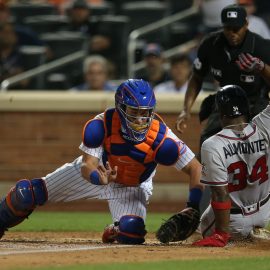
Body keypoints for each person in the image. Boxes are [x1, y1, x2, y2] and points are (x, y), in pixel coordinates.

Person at [0, 79, 203, 244]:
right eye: (134, 112)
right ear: (120, 108)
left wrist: (193, 205)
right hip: (98, 171)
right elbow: (87, 165)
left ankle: (114, 230)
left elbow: (195, 168)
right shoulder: (102, 123)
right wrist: (98, 177)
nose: (141, 119)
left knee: (132, 232)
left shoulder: (161, 136)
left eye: (146, 112)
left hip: (131, 186)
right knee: (26, 193)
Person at [176, 4, 270, 148]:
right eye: (228, 28)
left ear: (246, 24)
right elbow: (196, 77)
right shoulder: (211, 44)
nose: (232, 33)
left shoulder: (261, 46)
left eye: (236, 29)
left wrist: (262, 68)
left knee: (263, 145)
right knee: (207, 143)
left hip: (256, 101)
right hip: (226, 101)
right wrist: (186, 109)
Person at [193, 85, 270, 247]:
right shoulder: (264, 125)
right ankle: (254, 234)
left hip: (234, 220)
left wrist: (221, 234)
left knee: (197, 233)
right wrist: (262, 67)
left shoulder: (212, 144)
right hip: (265, 211)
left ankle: (233, 238)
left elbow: (220, 194)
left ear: (220, 112)